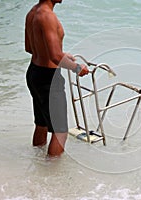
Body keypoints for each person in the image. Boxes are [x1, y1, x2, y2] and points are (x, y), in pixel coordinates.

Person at [25, 0, 89, 157]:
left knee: (42, 124)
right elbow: (55, 57)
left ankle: (37, 164)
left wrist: (61, 55)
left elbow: (29, 48)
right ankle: (51, 176)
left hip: (34, 73)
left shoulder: (33, 12)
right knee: (60, 132)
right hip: (49, 79)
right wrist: (77, 68)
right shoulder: (48, 16)